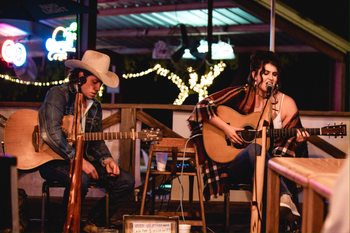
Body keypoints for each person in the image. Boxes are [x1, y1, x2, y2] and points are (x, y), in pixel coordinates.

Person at [188, 50, 309, 222]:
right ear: (254, 75)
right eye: (265, 73)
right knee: (255, 148)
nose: (271, 78)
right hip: (237, 166)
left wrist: (298, 141)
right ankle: (284, 198)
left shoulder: (286, 104)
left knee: (261, 154)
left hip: (272, 166)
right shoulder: (242, 95)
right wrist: (227, 129)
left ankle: (280, 210)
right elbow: (202, 107)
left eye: (274, 74)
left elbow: (290, 146)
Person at [38, 50, 135, 232]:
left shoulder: (95, 106)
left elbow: (96, 141)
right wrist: (78, 160)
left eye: (100, 83)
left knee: (126, 181)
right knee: (80, 178)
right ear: (81, 77)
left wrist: (106, 159)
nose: (98, 88)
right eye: (95, 82)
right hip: (51, 160)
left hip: (80, 160)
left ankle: (93, 223)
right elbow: (50, 133)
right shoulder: (57, 94)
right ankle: (67, 228)